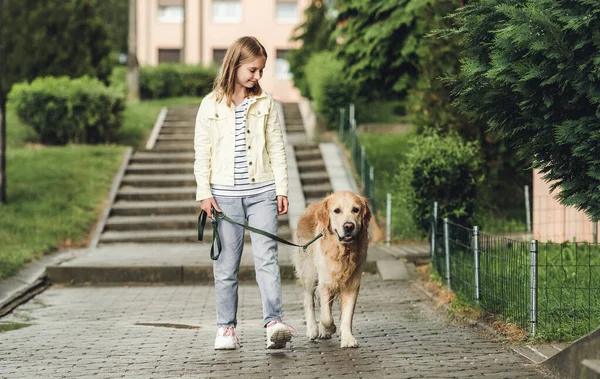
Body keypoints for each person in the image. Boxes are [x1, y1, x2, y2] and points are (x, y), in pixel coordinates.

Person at [194, 36, 293, 350]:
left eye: (261, 71)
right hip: (223, 197)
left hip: (262, 191)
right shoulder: (210, 105)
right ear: (234, 65)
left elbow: (278, 148)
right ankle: (226, 329)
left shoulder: (265, 103)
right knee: (225, 264)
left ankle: (274, 323)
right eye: (252, 69)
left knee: (267, 259)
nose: (257, 76)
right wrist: (204, 193)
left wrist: (281, 189)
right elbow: (202, 154)